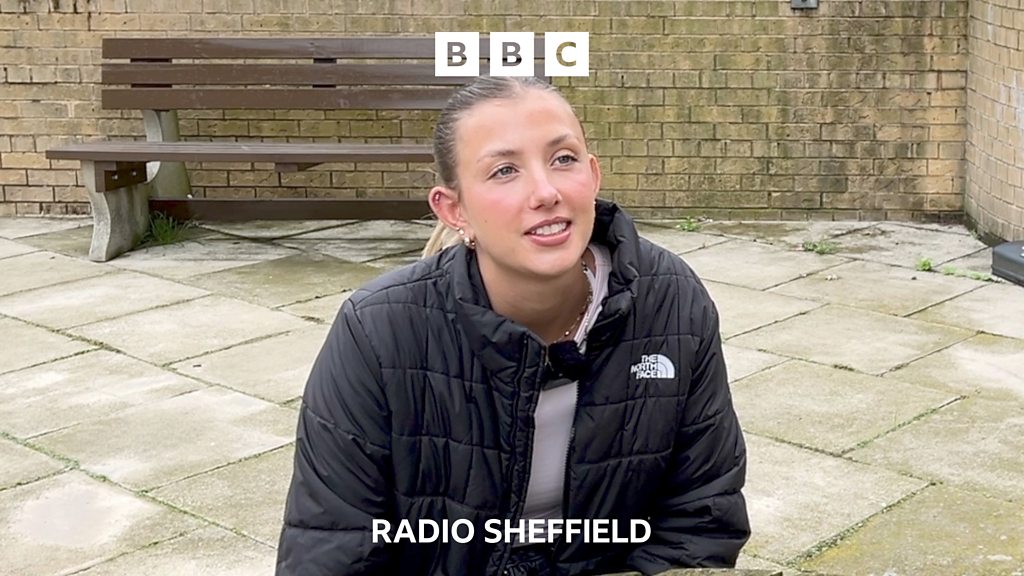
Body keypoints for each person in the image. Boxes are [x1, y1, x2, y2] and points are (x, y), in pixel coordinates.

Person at [276, 76, 750, 576]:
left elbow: (701, 518)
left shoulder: (671, 301)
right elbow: (332, 548)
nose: (545, 192)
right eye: (504, 170)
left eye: (563, 159)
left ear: (593, 175)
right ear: (454, 209)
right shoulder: (377, 332)